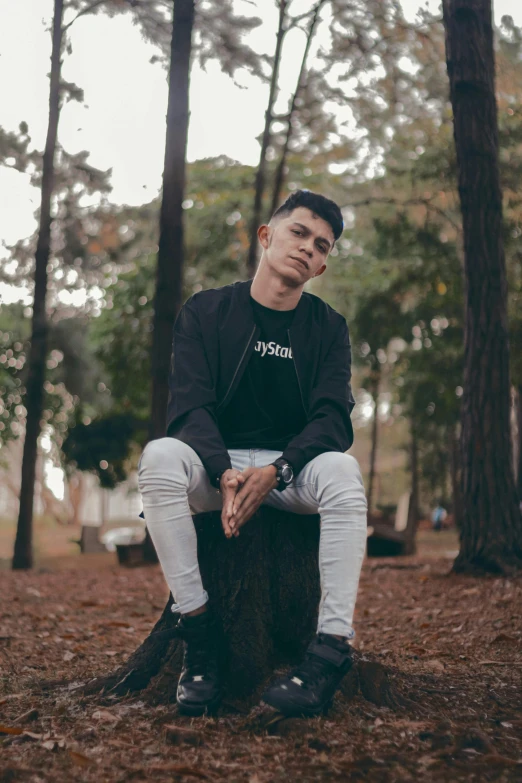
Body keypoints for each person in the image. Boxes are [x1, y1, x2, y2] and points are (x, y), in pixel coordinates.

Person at [137, 190, 368, 717]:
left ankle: (331, 649)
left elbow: (333, 417)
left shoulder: (328, 327)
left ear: (324, 265)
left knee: (344, 472)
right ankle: (198, 632)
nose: (308, 247)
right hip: (215, 468)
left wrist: (279, 470)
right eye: (299, 232)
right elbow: (190, 408)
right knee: (159, 458)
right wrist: (223, 474)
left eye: (321, 244)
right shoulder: (207, 310)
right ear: (267, 236)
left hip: (289, 473)